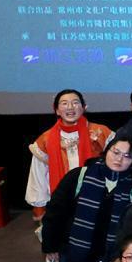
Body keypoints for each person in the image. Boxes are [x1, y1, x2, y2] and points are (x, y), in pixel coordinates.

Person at [26, 88, 115, 219]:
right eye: (64, 103)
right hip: (62, 200)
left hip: (98, 197)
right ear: (57, 110)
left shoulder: (101, 133)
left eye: (75, 102)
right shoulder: (45, 140)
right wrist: (40, 205)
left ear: (84, 107)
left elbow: (116, 166)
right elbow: (39, 175)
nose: (70, 107)